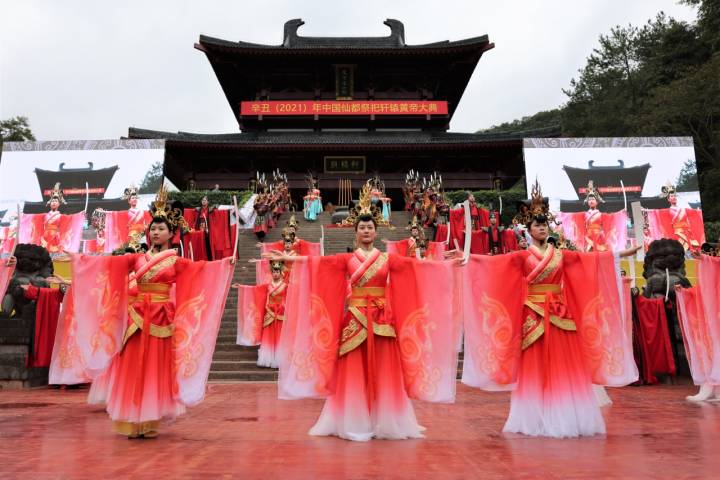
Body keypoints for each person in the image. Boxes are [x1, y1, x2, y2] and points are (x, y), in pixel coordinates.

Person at [263, 186, 460, 441]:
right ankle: (352, 417)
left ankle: (387, 419)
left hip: (381, 319)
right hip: (355, 318)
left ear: (376, 231)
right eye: (362, 228)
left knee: (386, 370)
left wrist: (448, 262)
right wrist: (290, 260)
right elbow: (318, 264)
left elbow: (417, 267)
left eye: (370, 228)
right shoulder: (347, 260)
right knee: (352, 372)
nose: (366, 231)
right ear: (355, 231)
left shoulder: (387, 259)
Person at [460, 181, 640, 438]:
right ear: (529, 230)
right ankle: (536, 417)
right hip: (533, 314)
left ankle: (565, 414)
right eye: (537, 225)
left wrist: (620, 254)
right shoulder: (522, 256)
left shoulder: (560, 254)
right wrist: (468, 260)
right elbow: (494, 265)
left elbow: (589, 260)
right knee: (535, 367)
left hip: (559, 313)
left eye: (544, 225)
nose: (542, 228)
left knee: (564, 365)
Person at [55, 186, 234, 438]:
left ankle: (150, 418)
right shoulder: (136, 258)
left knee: (156, 367)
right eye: (153, 228)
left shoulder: (176, 260)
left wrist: (225, 264)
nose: (156, 232)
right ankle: (131, 417)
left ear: (172, 233)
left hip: (162, 316)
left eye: (161, 229)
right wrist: (79, 259)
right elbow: (108, 264)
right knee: (131, 365)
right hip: (136, 317)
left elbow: (201, 271)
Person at [675, 252, 720, 402]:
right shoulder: (710, 287)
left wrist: (705, 258)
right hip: (713, 322)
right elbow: (700, 292)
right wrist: (684, 293)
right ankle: (710, 388)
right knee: (709, 351)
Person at [236, 260, 288, 368]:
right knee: (268, 337)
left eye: (277, 272)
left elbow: (288, 297)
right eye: (273, 272)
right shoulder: (267, 286)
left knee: (280, 337)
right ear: (271, 273)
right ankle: (268, 358)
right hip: (269, 312)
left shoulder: (285, 285)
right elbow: (256, 290)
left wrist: (283, 306)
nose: (275, 274)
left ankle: (280, 359)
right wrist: (242, 287)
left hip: (281, 312)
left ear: (281, 272)